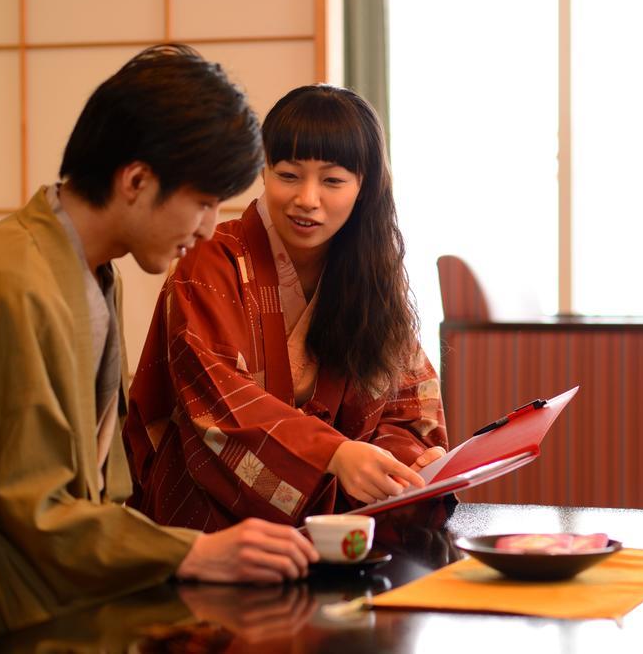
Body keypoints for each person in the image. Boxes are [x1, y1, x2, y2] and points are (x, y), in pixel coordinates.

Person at [0, 45, 318, 653]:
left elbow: (97, 486)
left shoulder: (84, 269)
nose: (211, 227)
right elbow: (33, 511)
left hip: (46, 598)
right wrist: (194, 549)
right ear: (136, 181)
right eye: (204, 201)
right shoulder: (12, 283)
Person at [123, 84, 449, 532]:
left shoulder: (370, 275)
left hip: (340, 526)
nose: (307, 199)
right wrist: (333, 455)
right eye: (289, 175)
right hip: (209, 523)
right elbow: (218, 401)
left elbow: (406, 402)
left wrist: (404, 465)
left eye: (332, 180)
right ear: (263, 171)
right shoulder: (211, 264)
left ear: (364, 186)